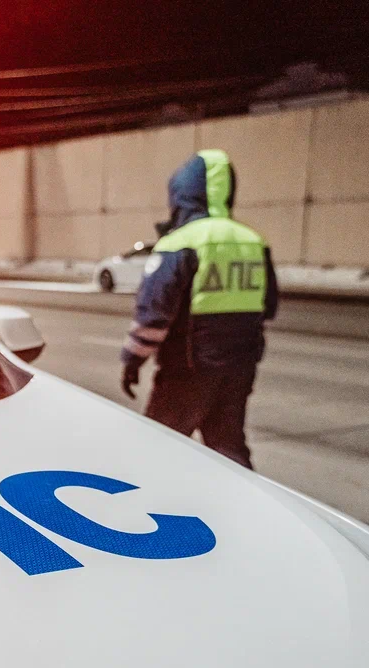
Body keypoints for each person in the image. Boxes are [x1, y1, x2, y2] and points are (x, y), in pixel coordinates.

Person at [120, 149, 278, 469]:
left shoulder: (181, 242)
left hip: (188, 368)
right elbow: (269, 306)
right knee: (228, 446)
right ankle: (244, 499)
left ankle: (154, 500)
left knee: (156, 451)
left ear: (183, 194)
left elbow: (154, 315)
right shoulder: (252, 241)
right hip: (240, 366)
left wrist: (133, 359)